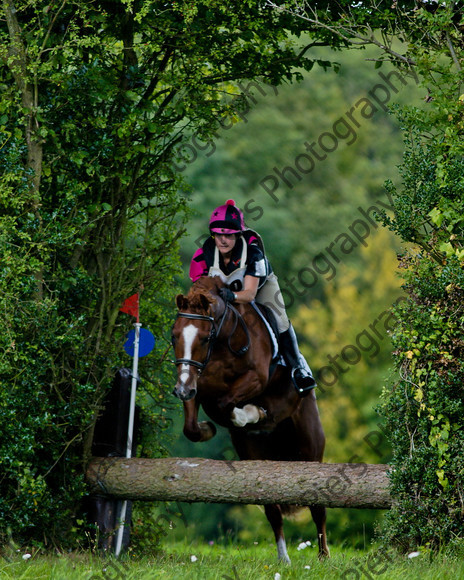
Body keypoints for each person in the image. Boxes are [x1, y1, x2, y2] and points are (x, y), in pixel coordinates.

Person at [189, 199, 317, 397]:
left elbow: (249, 294)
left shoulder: (253, 253)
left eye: (229, 236)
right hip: (223, 294)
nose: (223, 240)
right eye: (219, 235)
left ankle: (298, 368)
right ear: (213, 234)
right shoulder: (202, 254)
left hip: (259, 287)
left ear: (238, 234)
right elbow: (198, 290)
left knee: (280, 319)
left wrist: (231, 295)